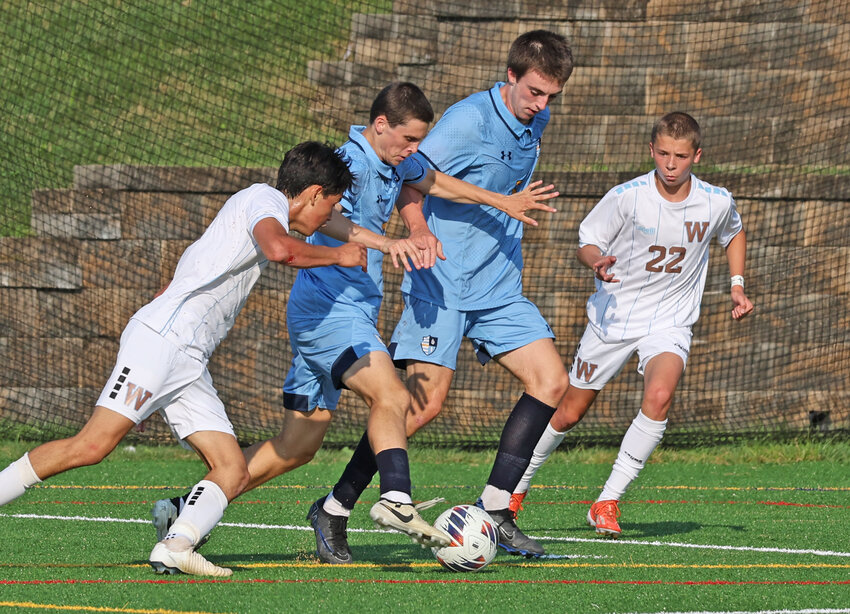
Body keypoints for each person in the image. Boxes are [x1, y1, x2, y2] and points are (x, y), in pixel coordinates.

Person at [150, 82, 561, 560]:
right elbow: (322, 219)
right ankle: (397, 500)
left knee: (295, 447)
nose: (414, 151)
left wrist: (493, 202)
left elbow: (430, 180)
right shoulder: (349, 164)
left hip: (345, 310)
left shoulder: (394, 159)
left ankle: (187, 509)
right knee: (391, 394)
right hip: (331, 310)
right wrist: (385, 243)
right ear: (380, 126)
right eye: (408, 141)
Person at [0, 141, 429, 577]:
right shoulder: (262, 200)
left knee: (232, 469)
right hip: (165, 343)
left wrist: (384, 243)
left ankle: (177, 544)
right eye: (331, 205)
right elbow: (281, 249)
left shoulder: (274, 206)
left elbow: (335, 228)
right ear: (314, 193)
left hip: (186, 358)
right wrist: (338, 255)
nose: (328, 219)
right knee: (91, 446)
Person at [310, 30, 575, 562]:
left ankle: (497, 510)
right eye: (535, 93)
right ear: (510, 78)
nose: (543, 106)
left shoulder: (536, 119)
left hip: (499, 282)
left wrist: (508, 204)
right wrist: (419, 232)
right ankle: (335, 508)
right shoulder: (467, 121)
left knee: (552, 381)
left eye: (552, 96)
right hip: (444, 280)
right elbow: (413, 179)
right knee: (421, 406)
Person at [509, 111, 754, 538]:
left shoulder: (716, 200)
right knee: (569, 412)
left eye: (680, 155)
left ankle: (607, 501)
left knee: (660, 395)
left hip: (671, 322)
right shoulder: (627, 196)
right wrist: (596, 262)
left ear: (696, 154)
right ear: (651, 151)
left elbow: (733, 232)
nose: (671, 164)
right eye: (663, 153)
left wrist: (737, 285)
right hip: (615, 318)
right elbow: (588, 240)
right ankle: (515, 488)